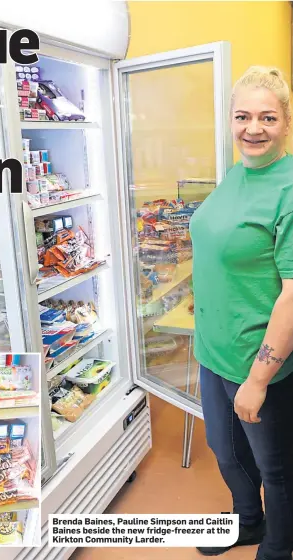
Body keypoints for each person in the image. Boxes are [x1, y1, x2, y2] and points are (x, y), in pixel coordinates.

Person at [189, 66, 293, 560]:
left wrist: (258, 378)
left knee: (276, 468)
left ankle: (278, 546)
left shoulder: (289, 188)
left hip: (259, 360)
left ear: (286, 122)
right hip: (213, 349)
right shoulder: (237, 173)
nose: (253, 128)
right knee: (225, 450)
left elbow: (292, 294)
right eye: (243, 116)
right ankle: (247, 522)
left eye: (267, 117)